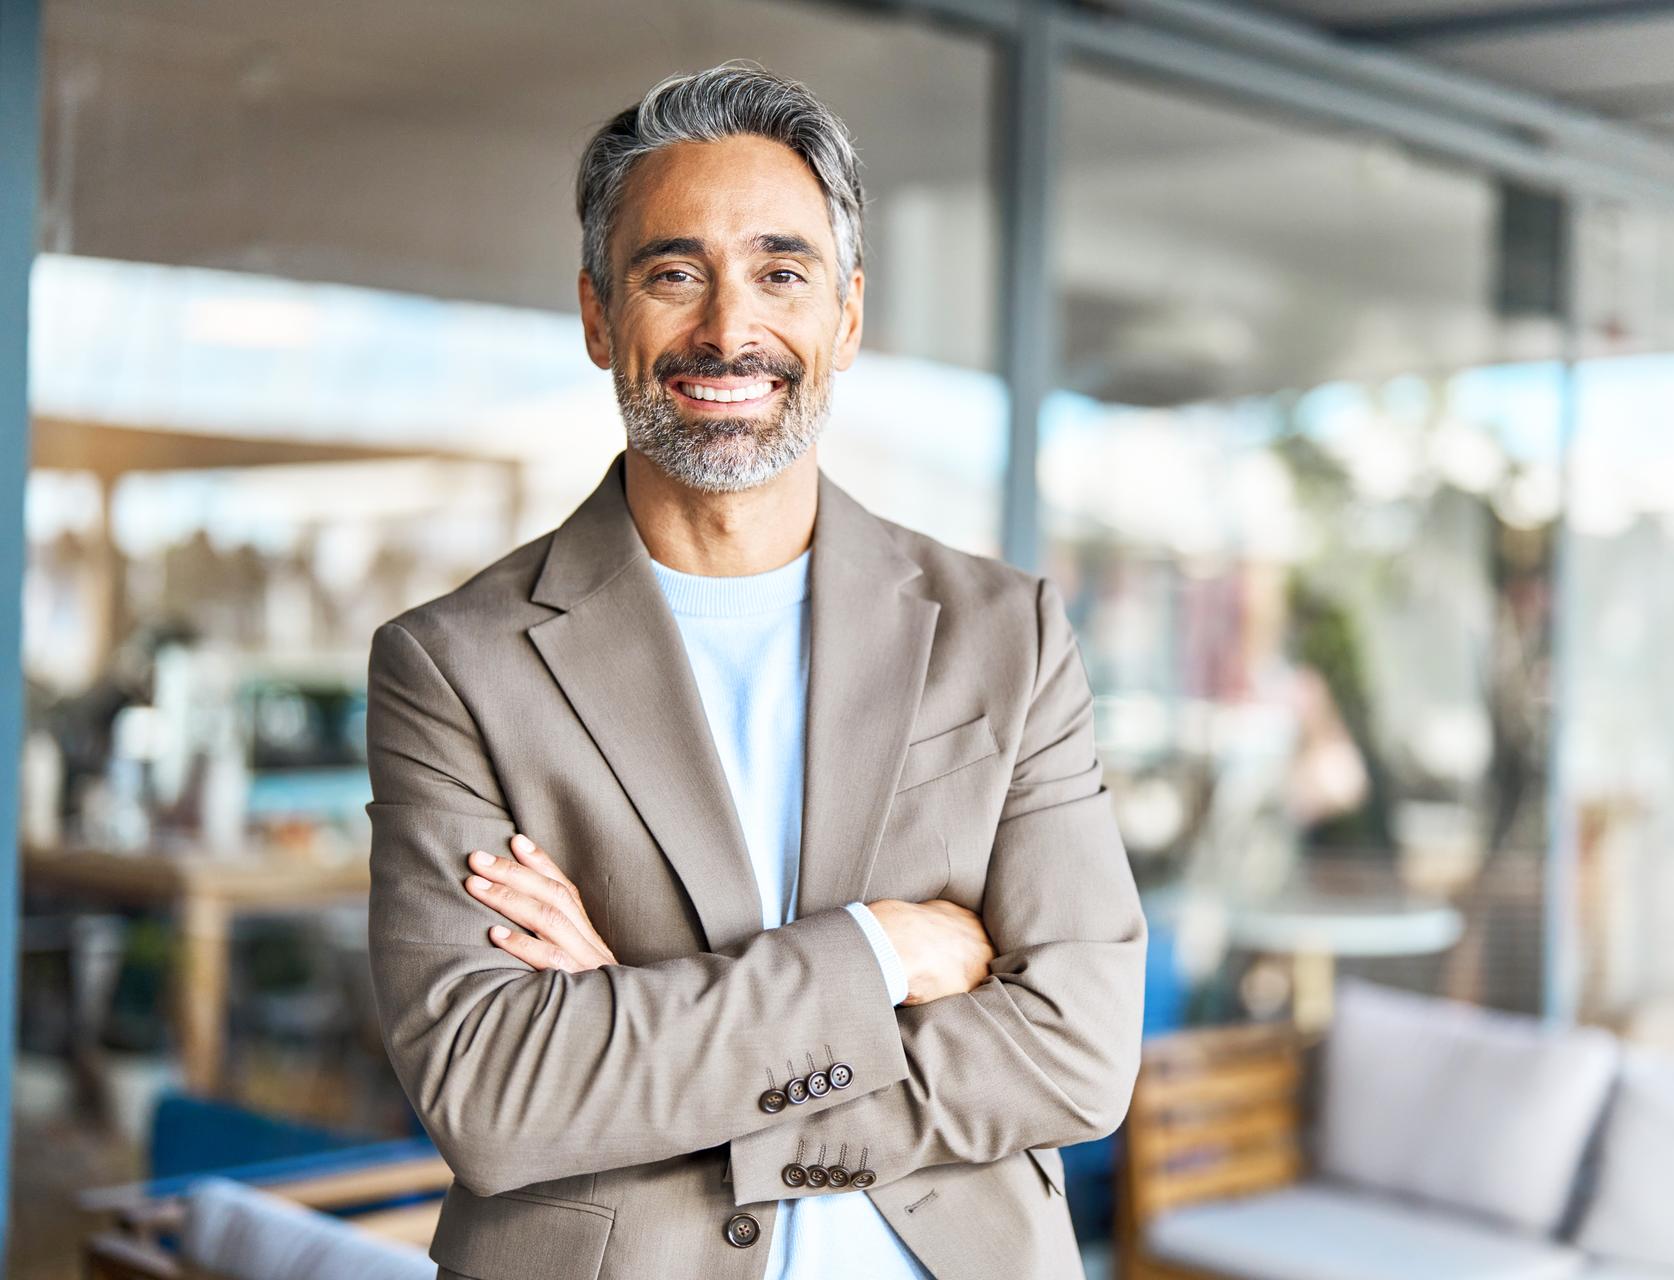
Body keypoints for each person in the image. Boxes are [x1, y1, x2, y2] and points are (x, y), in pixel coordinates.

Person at [363, 62, 1147, 1280]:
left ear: (846, 316)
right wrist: (880, 954)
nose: (729, 329)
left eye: (782, 272)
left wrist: (637, 1022)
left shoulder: (1011, 631)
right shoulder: (452, 665)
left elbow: (1079, 1050)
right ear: (594, 314)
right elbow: (497, 1090)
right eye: (673, 273)